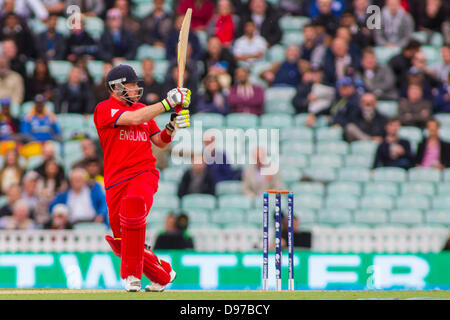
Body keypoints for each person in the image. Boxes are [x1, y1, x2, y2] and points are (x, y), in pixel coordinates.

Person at [93, 63, 191, 292]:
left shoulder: (142, 110)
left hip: (143, 173)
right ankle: (163, 274)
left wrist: (172, 124)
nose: (137, 88)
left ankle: (131, 276)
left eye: (137, 84)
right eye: (132, 84)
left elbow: (160, 141)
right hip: (116, 180)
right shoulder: (104, 109)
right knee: (121, 243)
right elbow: (134, 119)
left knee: (133, 209)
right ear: (116, 88)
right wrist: (167, 103)